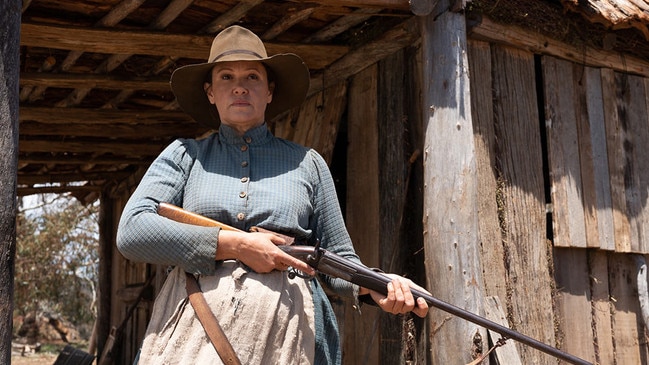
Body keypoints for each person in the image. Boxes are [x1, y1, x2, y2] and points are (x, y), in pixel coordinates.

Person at [116, 25, 428, 365]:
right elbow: (132, 230)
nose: (239, 86)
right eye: (225, 76)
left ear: (269, 91)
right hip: (193, 326)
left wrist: (378, 286)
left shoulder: (308, 163)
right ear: (210, 92)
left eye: (252, 76)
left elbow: (336, 260)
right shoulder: (184, 156)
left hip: (292, 331)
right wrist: (236, 245)